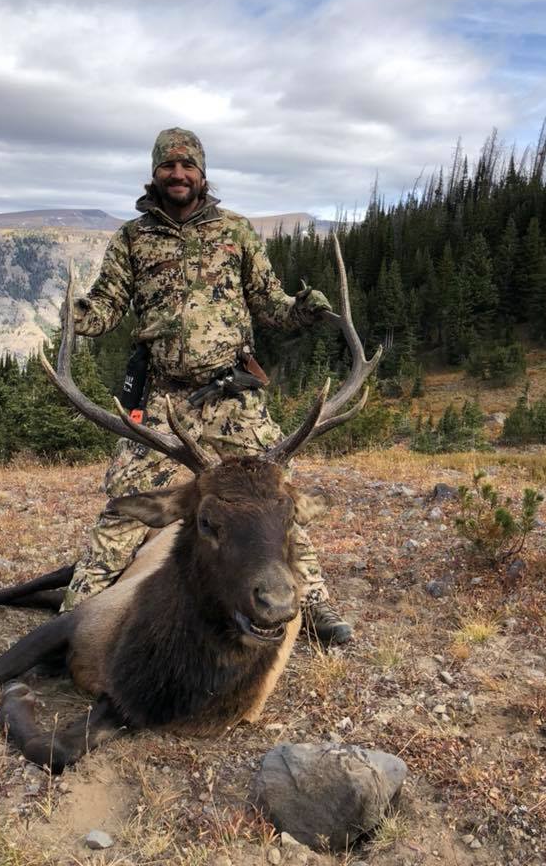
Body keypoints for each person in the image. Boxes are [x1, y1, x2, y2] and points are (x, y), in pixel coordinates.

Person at [59, 127, 352, 645]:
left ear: (201, 172)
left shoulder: (236, 232)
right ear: (155, 172)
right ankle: (75, 613)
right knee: (126, 502)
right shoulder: (133, 238)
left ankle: (312, 605)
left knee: (274, 500)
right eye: (168, 166)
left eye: (186, 166)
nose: (178, 174)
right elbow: (107, 306)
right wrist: (81, 315)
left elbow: (269, 303)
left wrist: (301, 310)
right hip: (164, 397)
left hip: (234, 395)